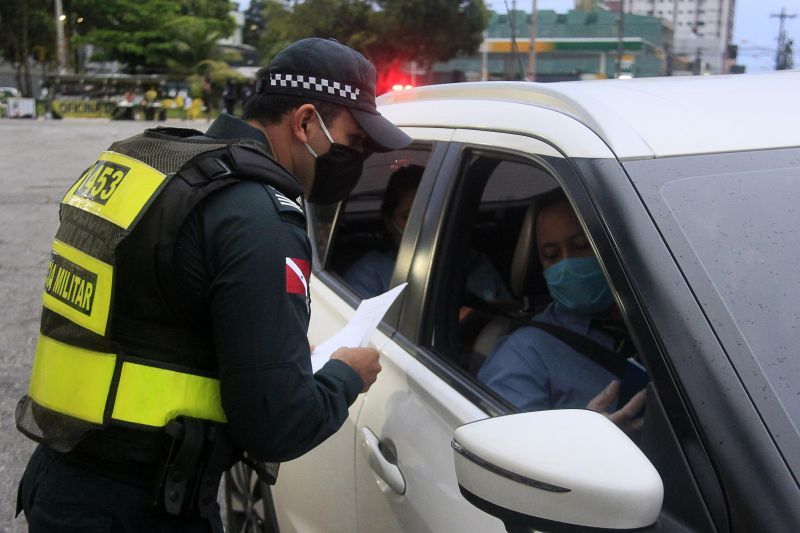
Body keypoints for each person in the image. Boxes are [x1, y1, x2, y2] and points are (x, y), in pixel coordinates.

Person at [15, 37, 412, 532]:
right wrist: (345, 377)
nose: (358, 159)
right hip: (142, 509)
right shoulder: (258, 215)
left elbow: (150, 318)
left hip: (62, 479)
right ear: (306, 122)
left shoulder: (150, 164)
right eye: (354, 142)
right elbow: (276, 424)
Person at [478, 189, 647, 431]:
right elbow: (515, 453)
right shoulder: (523, 355)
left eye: (581, 246)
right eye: (551, 255)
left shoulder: (668, 317)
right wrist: (585, 442)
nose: (566, 265)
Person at [344, 164, 510, 302]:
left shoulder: (475, 263)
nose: (422, 224)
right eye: (409, 217)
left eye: (432, 214)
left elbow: (507, 319)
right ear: (389, 222)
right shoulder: (369, 274)